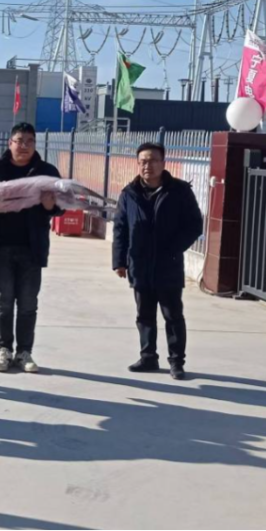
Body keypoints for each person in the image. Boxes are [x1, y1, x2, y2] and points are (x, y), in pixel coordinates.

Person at [0, 122, 64, 374]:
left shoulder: (46, 171)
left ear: (35, 144)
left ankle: (24, 352)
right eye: (19, 141)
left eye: (29, 141)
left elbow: (62, 205)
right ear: (10, 143)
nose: (24, 146)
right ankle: (4, 350)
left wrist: (50, 207)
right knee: (3, 301)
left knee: (27, 303)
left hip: (32, 247)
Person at [112, 142, 204, 380]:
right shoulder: (129, 194)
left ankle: (176, 362)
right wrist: (119, 260)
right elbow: (120, 228)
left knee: (172, 316)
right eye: (143, 161)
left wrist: (174, 248)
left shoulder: (179, 191)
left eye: (153, 160)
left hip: (168, 264)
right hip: (139, 264)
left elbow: (194, 224)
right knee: (144, 315)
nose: (148, 166)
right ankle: (148, 357)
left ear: (163, 163)